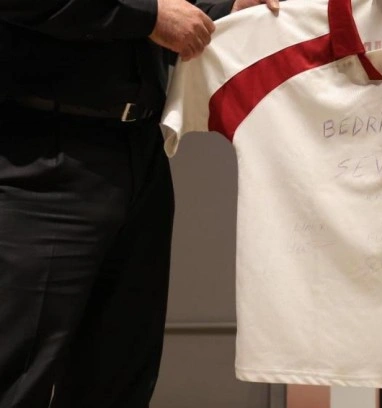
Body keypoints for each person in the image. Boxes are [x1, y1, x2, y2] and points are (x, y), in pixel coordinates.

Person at [0, 0, 277, 406]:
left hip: (139, 147)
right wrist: (149, 16)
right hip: (40, 150)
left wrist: (228, 9)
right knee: (18, 375)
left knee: (121, 375)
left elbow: (170, 14)